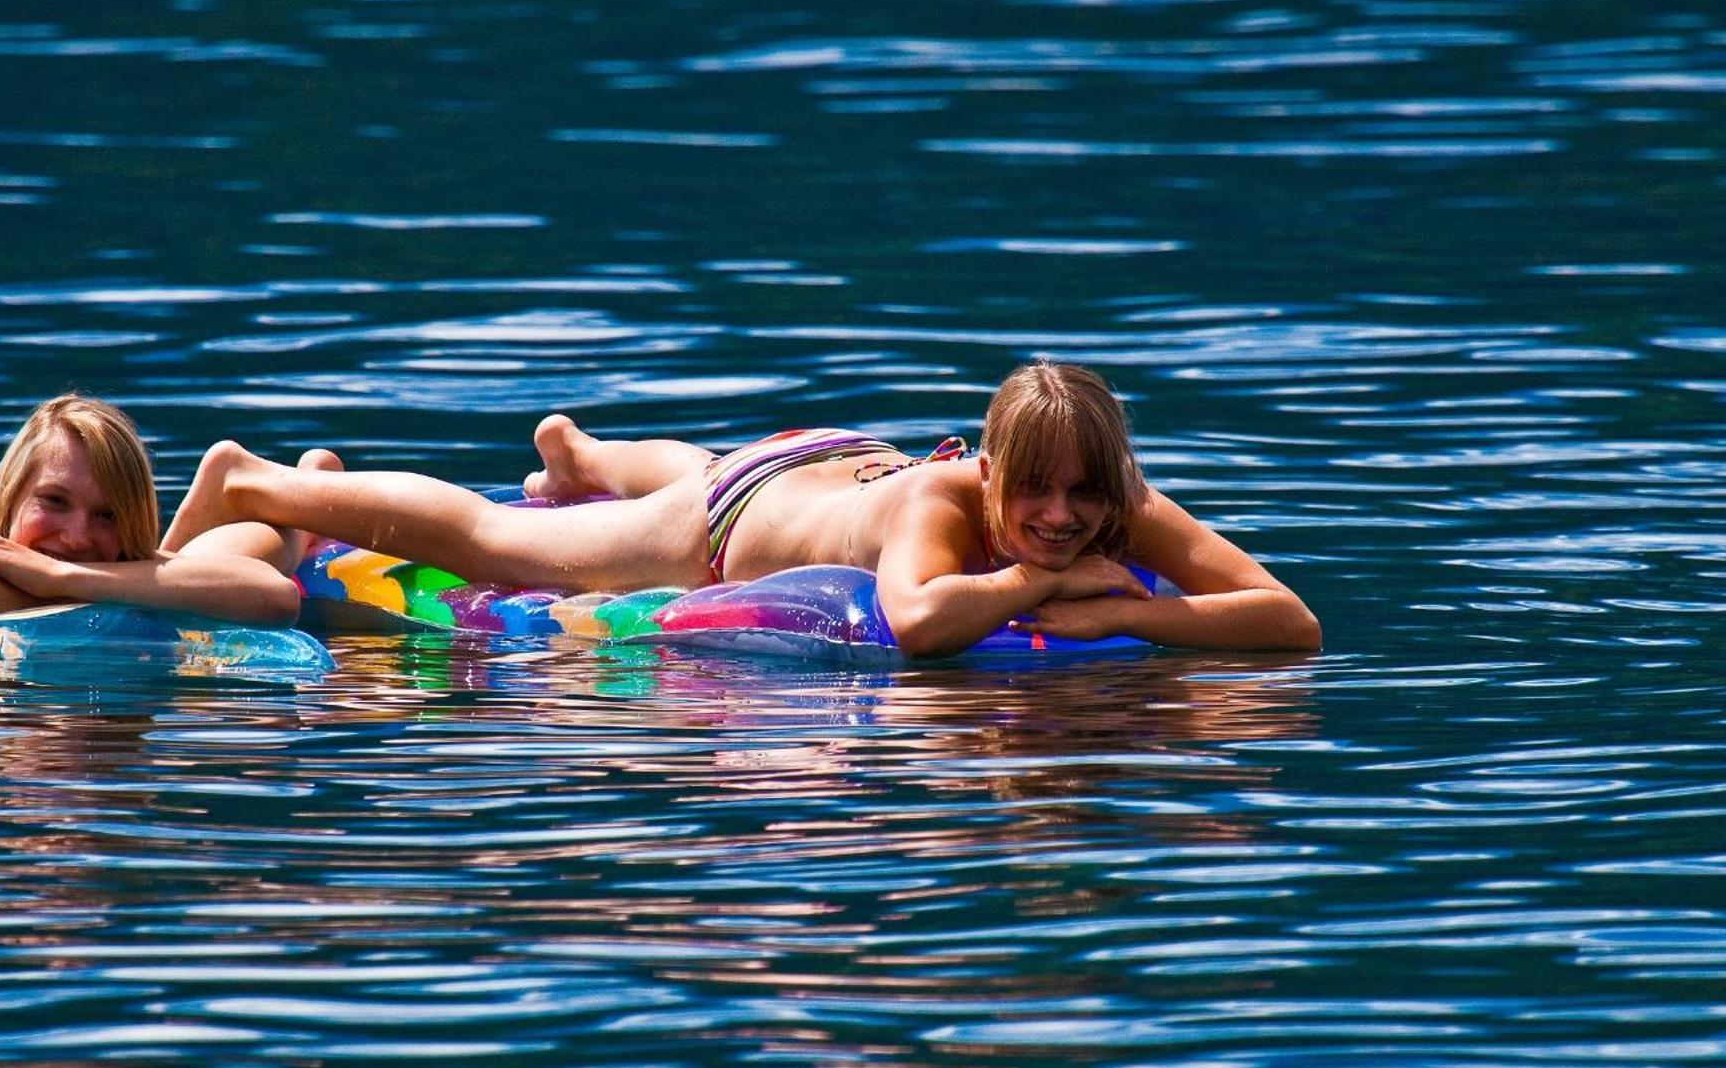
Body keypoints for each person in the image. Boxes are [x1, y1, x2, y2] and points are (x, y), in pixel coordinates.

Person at [162, 360, 1321, 657]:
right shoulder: (943, 505)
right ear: (989, 471)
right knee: (499, 538)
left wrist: (1143, 614)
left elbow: (1287, 619)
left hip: (820, 459)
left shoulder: (1115, 500)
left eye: (1084, 494)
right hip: (731, 512)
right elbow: (918, 625)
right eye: (1036, 494)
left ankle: (586, 450)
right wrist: (1051, 588)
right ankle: (254, 477)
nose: (1063, 515)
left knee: (602, 488)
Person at [0, 394, 304, 626]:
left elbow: (277, 598)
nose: (77, 536)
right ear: (12, 493)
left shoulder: (83, 562)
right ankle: (257, 492)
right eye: (54, 501)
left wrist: (59, 577)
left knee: (209, 557)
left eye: (108, 515)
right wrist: (118, 591)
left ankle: (297, 515)